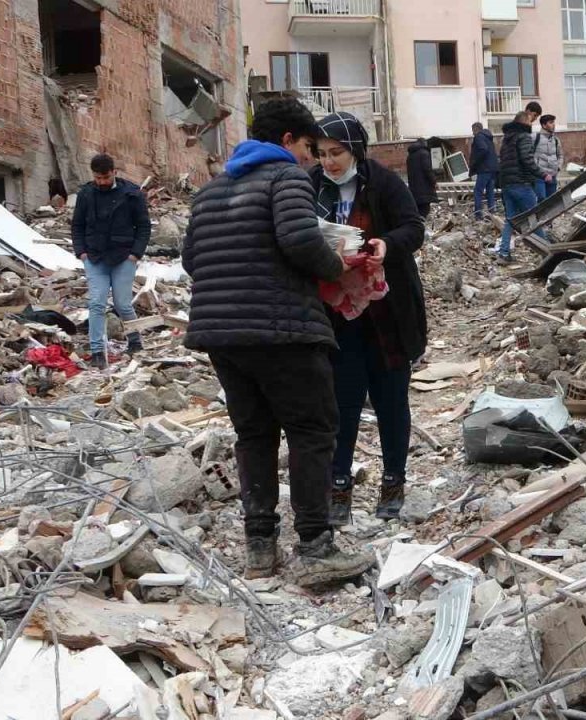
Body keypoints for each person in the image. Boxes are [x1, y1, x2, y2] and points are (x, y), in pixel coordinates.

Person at [181, 98, 373, 585]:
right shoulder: (285, 177)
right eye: (309, 147)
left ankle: (260, 549)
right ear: (288, 140)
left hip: (222, 335)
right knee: (311, 430)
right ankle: (314, 546)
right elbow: (299, 241)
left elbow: (191, 260)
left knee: (254, 434)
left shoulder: (209, 193)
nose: (312, 159)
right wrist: (338, 267)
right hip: (282, 328)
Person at [307, 112, 427, 526]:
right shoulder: (311, 186)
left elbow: (414, 228)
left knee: (392, 399)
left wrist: (384, 245)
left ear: (355, 150)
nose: (329, 162)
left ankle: (394, 482)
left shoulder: (382, 182)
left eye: (336, 153)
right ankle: (339, 486)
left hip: (387, 316)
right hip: (337, 316)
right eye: (321, 154)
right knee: (341, 403)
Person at [72, 153, 150, 370]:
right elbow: (77, 225)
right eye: (98, 178)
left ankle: (134, 341)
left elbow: (143, 227)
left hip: (123, 257)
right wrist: (81, 252)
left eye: (105, 177)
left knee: (123, 304)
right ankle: (97, 351)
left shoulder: (132, 194)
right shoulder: (86, 194)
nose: (102, 182)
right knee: (96, 303)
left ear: (114, 172)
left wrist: (135, 254)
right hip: (94, 257)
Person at [496, 110, 544, 263]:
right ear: (524, 122)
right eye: (530, 121)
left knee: (510, 220)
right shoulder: (524, 137)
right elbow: (527, 160)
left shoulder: (506, 139)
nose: (531, 124)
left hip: (507, 185)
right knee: (533, 218)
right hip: (521, 184)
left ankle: (504, 253)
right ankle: (547, 251)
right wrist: (543, 174)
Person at [469, 122, 499, 221]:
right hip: (493, 168)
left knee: (478, 191)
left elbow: (483, 149)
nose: (472, 133)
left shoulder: (478, 137)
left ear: (475, 129)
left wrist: (475, 161)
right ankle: (492, 213)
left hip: (484, 168)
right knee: (490, 191)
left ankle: (478, 214)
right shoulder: (488, 137)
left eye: (473, 131)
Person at [405, 137, 437, 218]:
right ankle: (421, 227)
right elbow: (427, 169)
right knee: (425, 209)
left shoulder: (410, 156)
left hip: (414, 188)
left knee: (419, 209)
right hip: (424, 188)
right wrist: (434, 181)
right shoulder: (424, 153)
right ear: (424, 143)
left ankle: (418, 224)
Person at [533, 114, 562, 199]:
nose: (553, 125)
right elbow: (529, 154)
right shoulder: (535, 137)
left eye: (553, 122)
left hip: (552, 175)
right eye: (551, 122)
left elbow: (560, 155)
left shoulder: (556, 140)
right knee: (541, 199)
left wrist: (558, 167)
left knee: (551, 201)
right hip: (539, 175)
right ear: (544, 125)